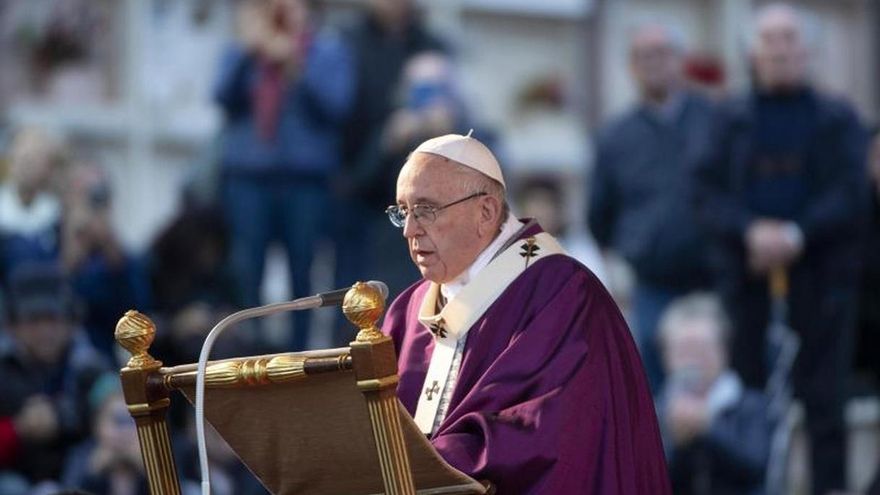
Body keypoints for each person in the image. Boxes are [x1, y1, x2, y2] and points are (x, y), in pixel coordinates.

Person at [381, 133, 670, 493]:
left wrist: (428, 463)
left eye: (425, 210)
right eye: (402, 212)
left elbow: (555, 431)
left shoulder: (564, 293)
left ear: (485, 212)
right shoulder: (406, 312)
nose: (410, 230)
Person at [692, 4, 867, 494]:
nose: (780, 48)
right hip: (745, 282)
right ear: (753, 51)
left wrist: (796, 234)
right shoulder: (728, 118)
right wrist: (749, 232)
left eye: (790, 38)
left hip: (823, 284)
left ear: (807, 50)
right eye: (770, 39)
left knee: (825, 404)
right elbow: (704, 192)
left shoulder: (838, 117)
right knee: (745, 401)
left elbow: (850, 193)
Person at [214, 0, 354, 350]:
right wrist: (251, 50)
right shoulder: (246, 47)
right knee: (247, 272)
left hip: (305, 183)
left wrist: (295, 62)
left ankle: (298, 356)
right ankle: (247, 353)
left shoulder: (326, 50)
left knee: (302, 275)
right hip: (248, 180)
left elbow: (336, 106)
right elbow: (221, 96)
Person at [588, 22, 716, 394]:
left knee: (716, 384)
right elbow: (600, 215)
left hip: (713, 280)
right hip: (651, 286)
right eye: (643, 56)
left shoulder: (716, 121)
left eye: (661, 54)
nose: (653, 64)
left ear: (680, 60)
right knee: (652, 389)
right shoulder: (615, 135)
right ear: (631, 67)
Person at [0, 263, 107, 486]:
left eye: (53, 319)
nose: (45, 331)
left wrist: (61, 416)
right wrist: (19, 428)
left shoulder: (88, 365)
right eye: (33, 321)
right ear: (12, 326)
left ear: (70, 323)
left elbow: (112, 402)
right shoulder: (4, 367)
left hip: (83, 477)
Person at [656, 293, 771, 495]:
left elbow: (756, 467)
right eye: (684, 350)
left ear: (724, 351)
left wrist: (708, 428)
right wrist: (678, 441)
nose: (692, 360)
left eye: (701, 349)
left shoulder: (750, 405)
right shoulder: (656, 409)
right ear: (666, 356)